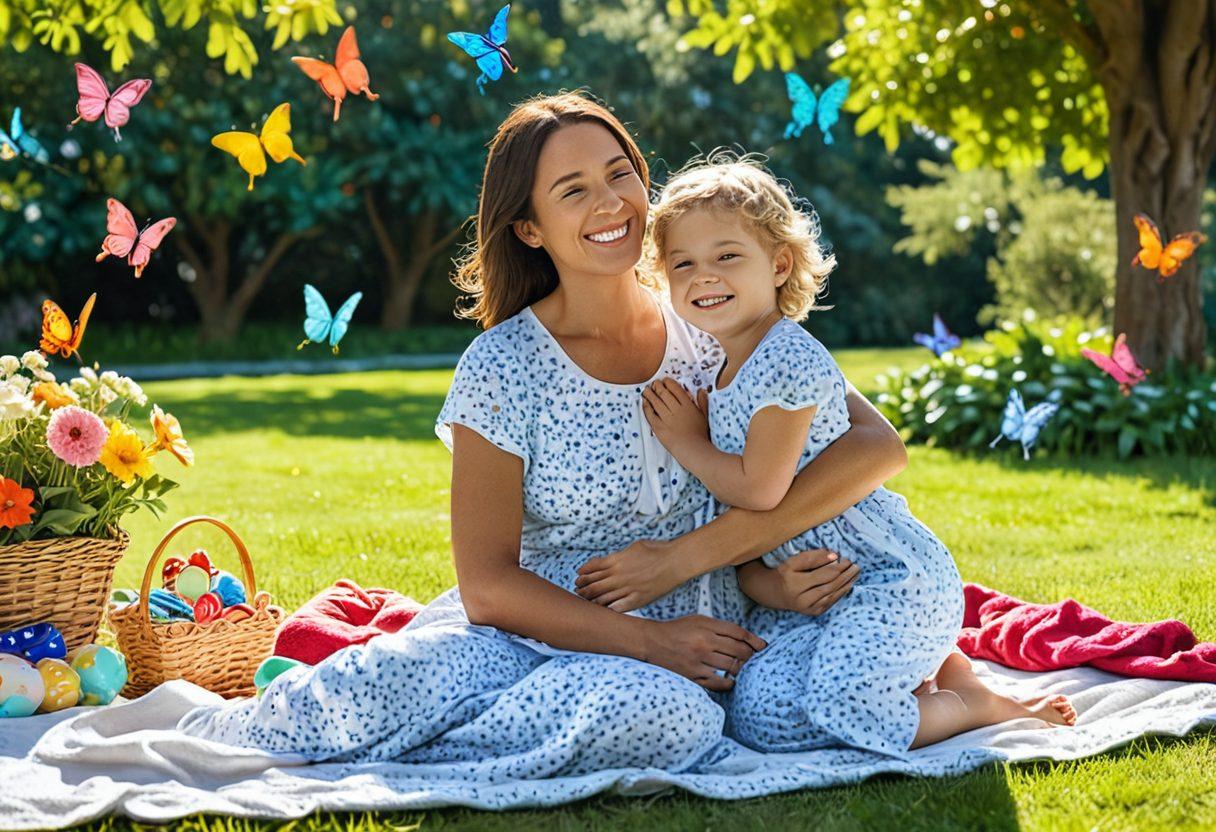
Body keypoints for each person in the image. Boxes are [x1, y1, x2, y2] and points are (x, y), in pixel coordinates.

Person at [178, 93, 908, 771]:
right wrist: (649, 641)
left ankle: (454, 741)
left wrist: (690, 565)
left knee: (669, 718)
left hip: (707, 641)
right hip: (538, 631)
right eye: (574, 190)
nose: (610, 201)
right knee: (405, 679)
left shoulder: (714, 314)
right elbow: (489, 587)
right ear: (529, 228)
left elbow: (875, 447)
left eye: (620, 173)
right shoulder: (503, 367)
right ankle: (316, 732)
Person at [588, 155, 1075, 756]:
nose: (703, 276)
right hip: (816, 601)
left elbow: (760, 491)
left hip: (890, 579)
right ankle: (942, 671)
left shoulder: (787, 357)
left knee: (847, 707)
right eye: (683, 264)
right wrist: (775, 590)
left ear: (780, 264)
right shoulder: (715, 368)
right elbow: (741, 527)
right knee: (760, 716)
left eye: (727, 257)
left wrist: (686, 441)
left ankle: (970, 703)